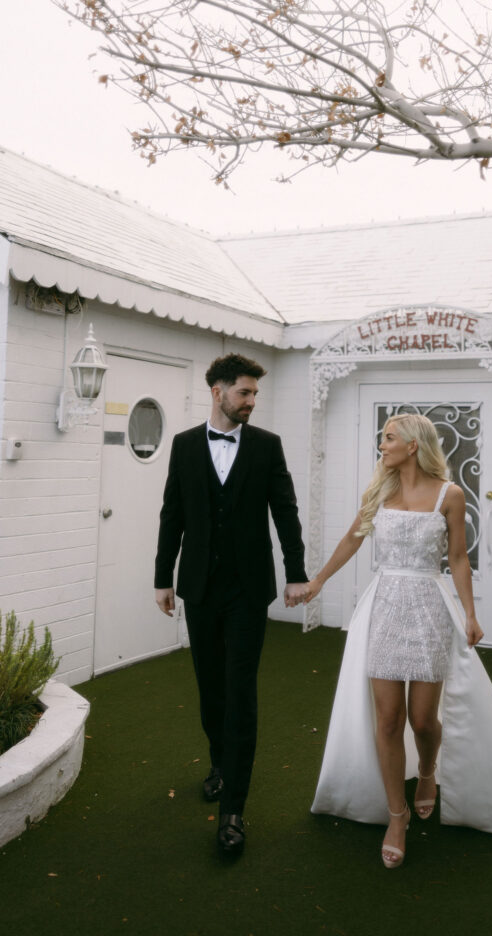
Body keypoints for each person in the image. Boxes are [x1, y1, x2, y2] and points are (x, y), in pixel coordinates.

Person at [287, 413, 492, 867]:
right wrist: (317, 582)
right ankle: (397, 816)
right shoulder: (381, 491)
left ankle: (428, 771)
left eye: (389, 438)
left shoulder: (450, 495)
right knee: (389, 719)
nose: (382, 445)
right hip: (385, 607)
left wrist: (470, 614)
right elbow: (353, 539)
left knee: (423, 720)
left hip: (430, 608)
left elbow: (457, 559)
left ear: (413, 445)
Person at [154, 352, 308, 859]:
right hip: (198, 587)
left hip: (247, 589)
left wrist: (296, 571)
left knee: (240, 691)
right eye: (244, 392)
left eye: (255, 394)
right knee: (211, 688)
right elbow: (172, 512)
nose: (251, 402)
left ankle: (233, 811)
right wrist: (163, 577)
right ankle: (221, 763)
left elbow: (285, 510)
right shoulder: (183, 445)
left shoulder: (267, 447)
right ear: (217, 391)